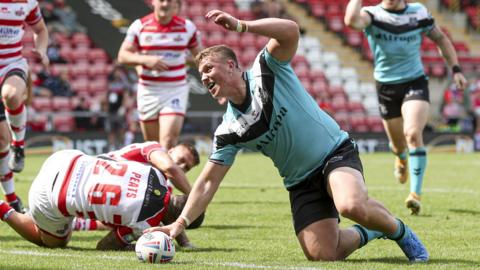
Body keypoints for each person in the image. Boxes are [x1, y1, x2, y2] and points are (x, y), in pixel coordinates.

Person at [145, 10, 429, 262]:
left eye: (209, 68)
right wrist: (179, 223)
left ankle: (400, 231)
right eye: (201, 74)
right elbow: (207, 182)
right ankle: (373, 229)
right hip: (300, 182)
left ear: (232, 65)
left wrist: (242, 25)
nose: (204, 77)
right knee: (323, 254)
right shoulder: (229, 130)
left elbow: (291, 30)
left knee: (350, 205)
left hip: (334, 153)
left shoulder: (266, 69)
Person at [344, 0, 468, 215]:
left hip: (414, 81)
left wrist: (455, 69)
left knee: (412, 133)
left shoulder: (418, 13)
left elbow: (441, 38)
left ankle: (415, 195)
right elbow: (351, 21)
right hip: (386, 87)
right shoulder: (372, 14)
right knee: (398, 144)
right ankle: (400, 156)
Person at [0, 141, 201, 250]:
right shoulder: (146, 223)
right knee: (56, 242)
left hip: (67, 158)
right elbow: (103, 246)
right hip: (49, 195)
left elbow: (170, 208)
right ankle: (3, 208)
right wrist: (136, 246)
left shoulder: (156, 173)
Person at [117, 0, 203, 150]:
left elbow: (202, 58)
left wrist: (185, 61)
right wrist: (146, 60)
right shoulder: (140, 26)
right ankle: (158, 173)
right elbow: (123, 56)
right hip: (148, 91)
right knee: (152, 146)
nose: (165, 4)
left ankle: (168, 172)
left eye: (169, 0)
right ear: (153, 2)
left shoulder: (187, 27)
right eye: (161, 0)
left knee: (168, 140)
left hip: (175, 90)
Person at [0, 0, 49, 212]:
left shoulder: (28, 3)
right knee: (1, 141)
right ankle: (11, 198)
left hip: (12, 65)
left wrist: (42, 49)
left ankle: (18, 145)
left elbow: (40, 29)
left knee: (11, 95)